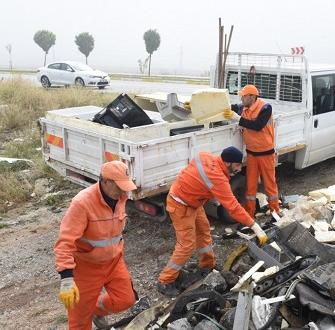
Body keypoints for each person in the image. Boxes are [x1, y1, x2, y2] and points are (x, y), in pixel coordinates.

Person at [157, 146, 268, 297]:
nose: (239, 168)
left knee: (203, 232)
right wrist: (255, 226)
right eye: (237, 165)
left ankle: (207, 266)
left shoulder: (206, 157)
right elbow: (233, 207)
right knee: (186, 246)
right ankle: (165, 280)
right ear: (228, 162)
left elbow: (196, 174)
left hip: (193, 202)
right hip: (180, 204)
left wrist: (204, 191)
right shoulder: (217, 177)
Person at [54, 161, 138, 330]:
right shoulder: (82, 203)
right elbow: (65, 242)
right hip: (86, 267)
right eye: (119, 186)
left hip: (114, 262)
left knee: (126, 299)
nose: (123, 191)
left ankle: (94, 309)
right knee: (79, 322)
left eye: (125, 186)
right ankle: (85, 312)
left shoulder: (121, 197)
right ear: (105, 181)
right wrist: (67, 279)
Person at [223, 84, 282, 218]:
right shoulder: (244, 107)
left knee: (269, 185)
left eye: (243, 96)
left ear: (252, 97)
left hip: (266, 153)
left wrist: (237, 118)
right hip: (252, 153)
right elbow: (227, 108)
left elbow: (257, 126)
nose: (241, 99)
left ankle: (275, 211)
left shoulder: (265, 108)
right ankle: (249, 213)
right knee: (250, 186)